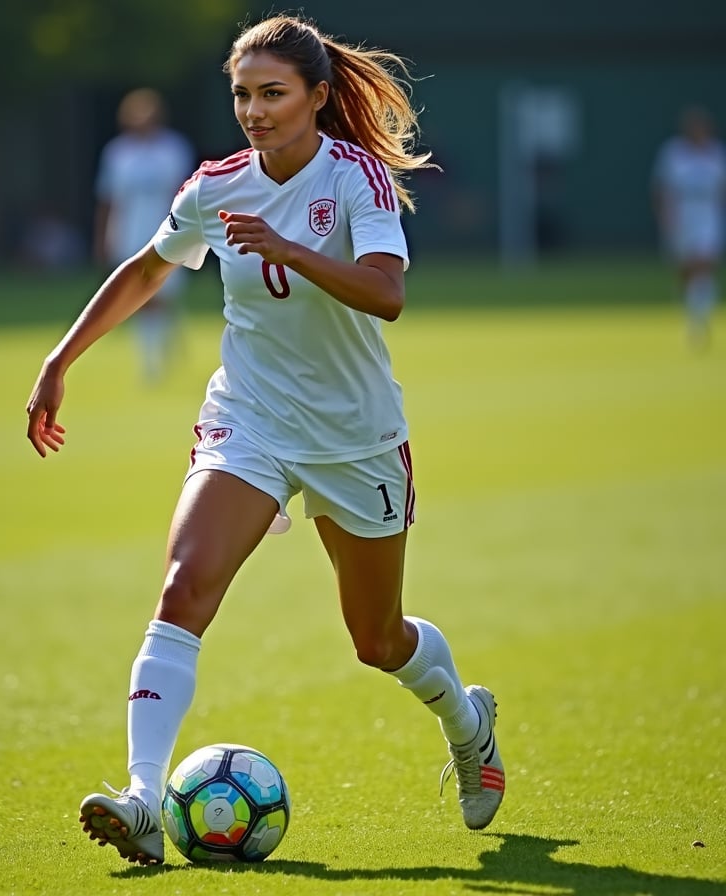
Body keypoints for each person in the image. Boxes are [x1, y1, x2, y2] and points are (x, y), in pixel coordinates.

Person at [26, 14, 505, 866]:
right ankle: (142, 798)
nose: (253, 109)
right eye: (242, 93)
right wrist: (63, 359)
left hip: (356, 436)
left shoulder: (355, 176)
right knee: (183, 587)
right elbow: (146, 268)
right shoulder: (213, 185)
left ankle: (468, 724)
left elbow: (386, 294)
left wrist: (287, 245)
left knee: (377, 639)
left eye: (273, 93)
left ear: (318, 97)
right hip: (248, 419)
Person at [94, 87, 196, 381]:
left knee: (164, 295)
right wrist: (102, 238)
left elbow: (185, 193)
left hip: (167, 229)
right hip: (129, 231)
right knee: (139, 297)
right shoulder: (117, 153)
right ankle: (150, 363)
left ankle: (164, 341)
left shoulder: (174, 148)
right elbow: (108, 199)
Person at [652, 104, 726, 348]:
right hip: (683, 213)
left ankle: (699, 322)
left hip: (708, 213)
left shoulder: (716, 154)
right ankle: (693, 309)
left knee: (704, 263)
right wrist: (666, 216)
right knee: (686, 270)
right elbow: (663, 188)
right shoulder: (674, 153)